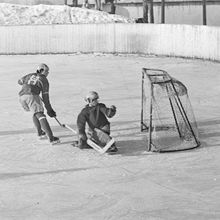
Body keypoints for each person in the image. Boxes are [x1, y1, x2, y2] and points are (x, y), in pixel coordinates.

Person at [18, 63, 60, 145]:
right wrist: (49, 110)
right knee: (40, 114)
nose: (48, 73)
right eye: (46, 71)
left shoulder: (30, 75)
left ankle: (40, 133)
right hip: (32, 96)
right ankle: (51, 138)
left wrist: (29, 84)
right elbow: (45, 97)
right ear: (41, 71)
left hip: (22, 97)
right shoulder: (44, 80)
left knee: (35, 113)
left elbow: (19, 81)